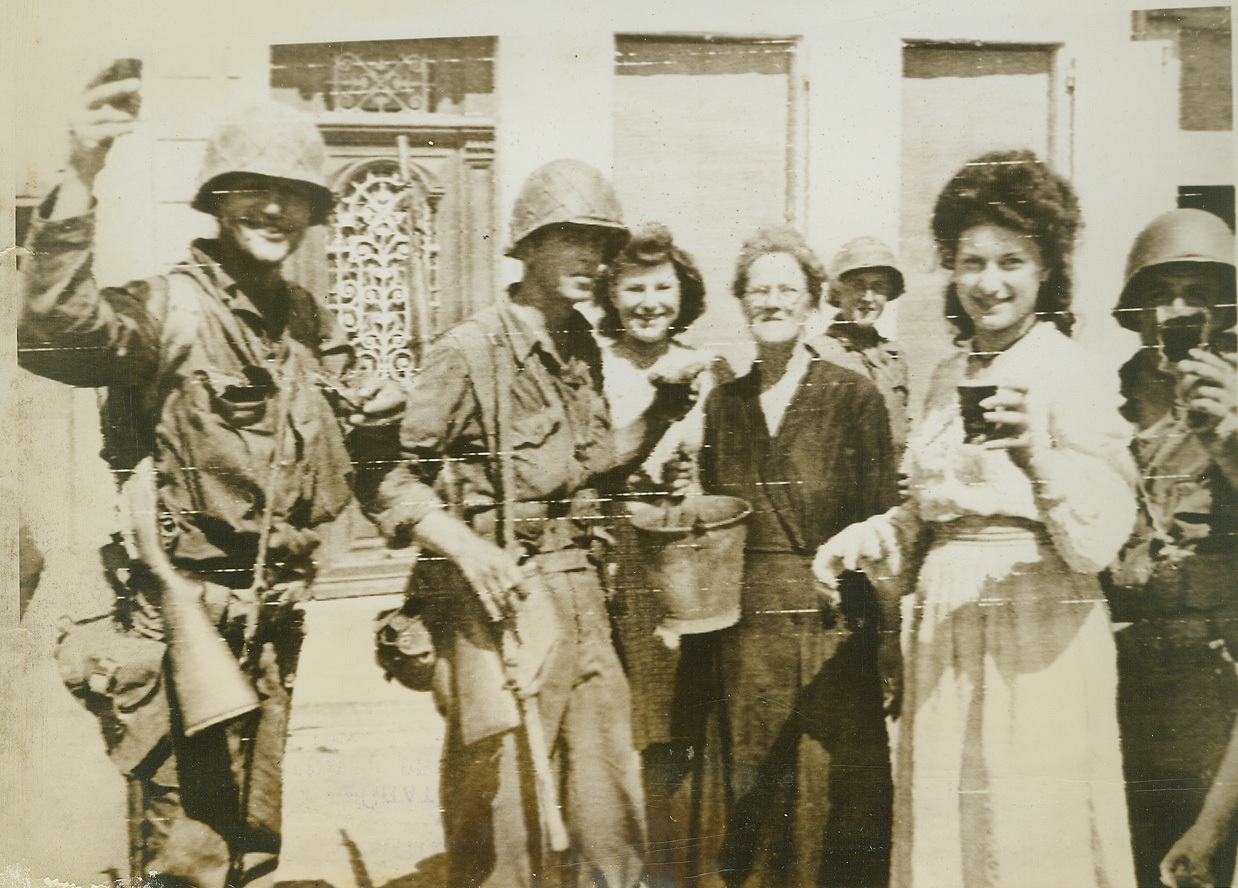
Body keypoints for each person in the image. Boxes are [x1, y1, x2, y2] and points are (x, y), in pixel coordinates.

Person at [17, 67, 404, 886]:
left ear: (312, 212)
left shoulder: (306, 322)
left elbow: (362, 466)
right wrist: (81, 171)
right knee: (185, 862)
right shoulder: (167, 310)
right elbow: (53, 335)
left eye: (292, 194)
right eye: (252, 190)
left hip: (269, 641)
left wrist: (381, 418)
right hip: (179, 636)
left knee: (255, 853)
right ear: (218, 199)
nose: (273, 209)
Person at [814, 149, 1139, 888]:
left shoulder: (1072, 371)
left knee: (1029, 834)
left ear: (1047, 269)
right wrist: (872, 535)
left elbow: (1097, 542)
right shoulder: (946, 375)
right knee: (954, 835)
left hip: (1037, 628)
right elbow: (931, 508)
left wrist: (1039, 459)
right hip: (948, 630)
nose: (989, 282)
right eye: (972, 261)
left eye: (1012, 261)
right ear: (951, 270)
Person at [366, 160, 694, 888]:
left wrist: (663, 415)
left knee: (612, 802)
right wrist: (462, 546)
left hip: (585, 590)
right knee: (505, 820)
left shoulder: (578, 344)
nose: (595, 258)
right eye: (573, 238)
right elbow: (384, 473)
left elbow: (589, 467)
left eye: (601, 242)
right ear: (530, 246)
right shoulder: (470, 351)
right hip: (504, 598)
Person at [690, 225, 898, 887]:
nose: (773, 301)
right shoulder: (724, 405)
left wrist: (879, 640)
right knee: (754, 803)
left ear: (812, 302)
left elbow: (882, 521)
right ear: (743, 303)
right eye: (759, 289)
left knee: (829, 804)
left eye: (788, 288)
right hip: (746, 638)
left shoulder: (853, 395)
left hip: (831, 632)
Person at [593, 222, 731, 886]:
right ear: (612, 296)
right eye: (634, 288)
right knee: (622, 717)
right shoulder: (593, 365)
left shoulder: (710, 368)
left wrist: (695, 479)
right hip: (614, 558)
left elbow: (730, 469)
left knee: (686, 716)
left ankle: (684, 863)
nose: (649, 301)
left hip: (690, 558)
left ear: (684, 292)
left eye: (662, 287)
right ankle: (628, 864)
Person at [1104, 208, 1238, 888]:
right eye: (1163, 294)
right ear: (1140, 309)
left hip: (1208, 679)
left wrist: (1231, 440)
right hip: (1117, 672)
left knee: (1193, 866)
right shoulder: (1111, 395)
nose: (1178, 311)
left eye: (1197, 295)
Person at [819, 237, 910, 456]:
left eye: (878, 287)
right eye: (858, 286)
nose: (868, 297)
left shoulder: (895, 357)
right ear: (839, 292)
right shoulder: (817, 353)